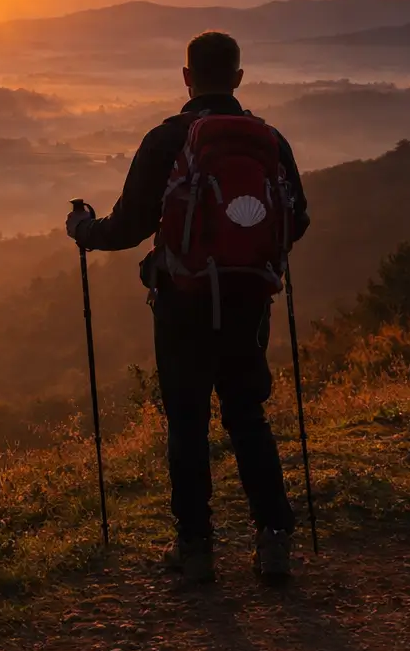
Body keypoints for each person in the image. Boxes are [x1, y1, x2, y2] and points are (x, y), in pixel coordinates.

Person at [65, 31, 310, 583]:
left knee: (187, 420)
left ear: (186, 78)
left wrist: (83, 230)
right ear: (239, 78)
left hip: (183, 301)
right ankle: (274, 539)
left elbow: (128, 227)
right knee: (247, 413)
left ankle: (196, 548)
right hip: (249, 299)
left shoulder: (168, 138)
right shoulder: (269, 140)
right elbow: (297, 220)